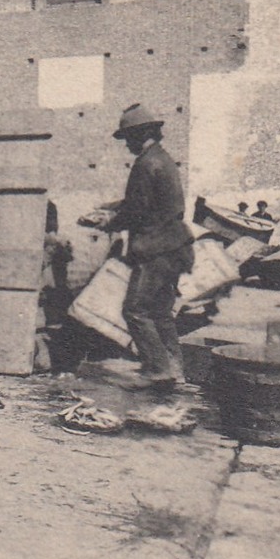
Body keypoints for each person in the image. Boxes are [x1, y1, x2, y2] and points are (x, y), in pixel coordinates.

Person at [83, 103, 196, 391]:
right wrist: (109, 208)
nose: (127, 146)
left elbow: (137, 211)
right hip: (175, 248)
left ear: (141, 134)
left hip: (154, 249)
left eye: (129, 138)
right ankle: (175, 369)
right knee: (160, 312)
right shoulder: (163, 159)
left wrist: (106, 222)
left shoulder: (146, 164)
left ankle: (158, 370)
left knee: (136, 310)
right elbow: (145, 202)